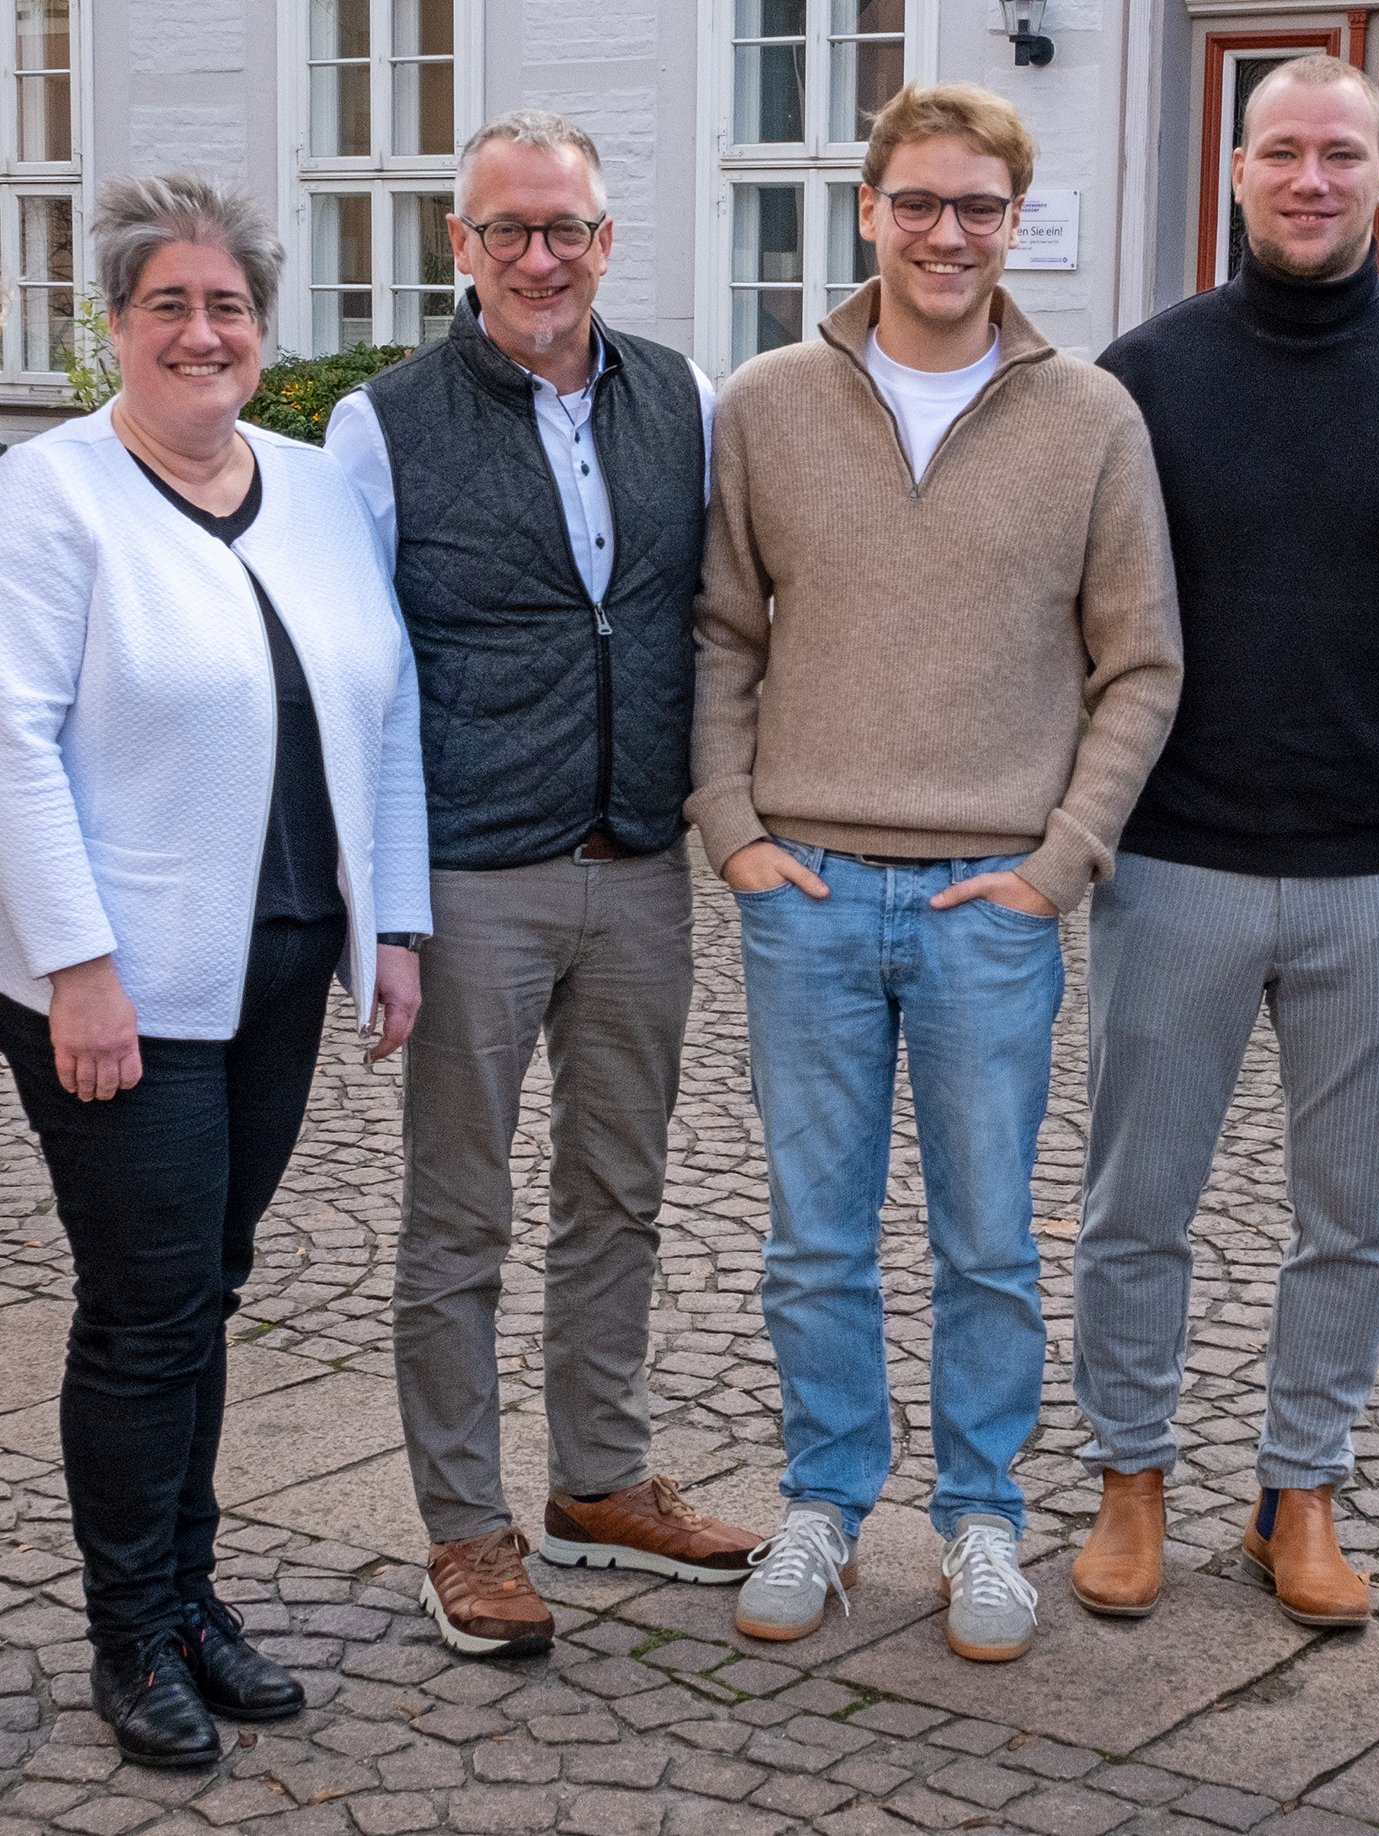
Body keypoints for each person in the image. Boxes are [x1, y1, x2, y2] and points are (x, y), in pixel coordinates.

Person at [689, 80, 1182, 1663]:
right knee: (811, 1234)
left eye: (976, 207)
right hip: (808, 891)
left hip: (992, 905)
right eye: (918, 202)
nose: (945, 232)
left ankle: (979, 1520)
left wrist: (1059, 862)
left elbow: (1141, 665)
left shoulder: (1090, 417)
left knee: (986, 1237)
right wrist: (736, 833)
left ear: (1011, 223)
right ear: (868, 211)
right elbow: (720, 636)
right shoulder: (766, 403)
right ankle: (828, 1500)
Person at [1072, 54, 1379, 1629]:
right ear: (1237, 167)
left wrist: (1362, 741)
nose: (1311, 180)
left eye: (1342, 154)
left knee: (1355, 1216)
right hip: (1176, 855)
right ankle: (1130, 1477)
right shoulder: (1142, 372)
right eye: (1283, 153)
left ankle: (1299, 1494)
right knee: (1139, 1201)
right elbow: (1094, 608)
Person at [0, 175, 430, 1766]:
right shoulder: (45, 496)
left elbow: (379, 710)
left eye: (228, 304)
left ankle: (188, 1597)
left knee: (212, 1288)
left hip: (280, 959)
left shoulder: (318, 490)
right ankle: (132, 1631)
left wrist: (391, 925)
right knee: (148, 1307)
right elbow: (11, 747)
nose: (202, 331)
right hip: (119, 988)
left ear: (264, 328)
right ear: (112, 327)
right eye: (167, 305)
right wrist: (76, 969)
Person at [326, 108, 758, 1659]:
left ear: (604, 239)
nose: (535, 257)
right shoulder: (382, 424)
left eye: (562, 227)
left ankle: (598, 1478)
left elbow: (707, 614)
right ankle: (464, 1527)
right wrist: (386, 908)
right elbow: (359, 678)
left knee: (621, 1194)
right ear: (459, 246)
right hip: (471, 874)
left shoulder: (683, 399)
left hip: (637, 864)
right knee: (458, 1218)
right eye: (503, 229)